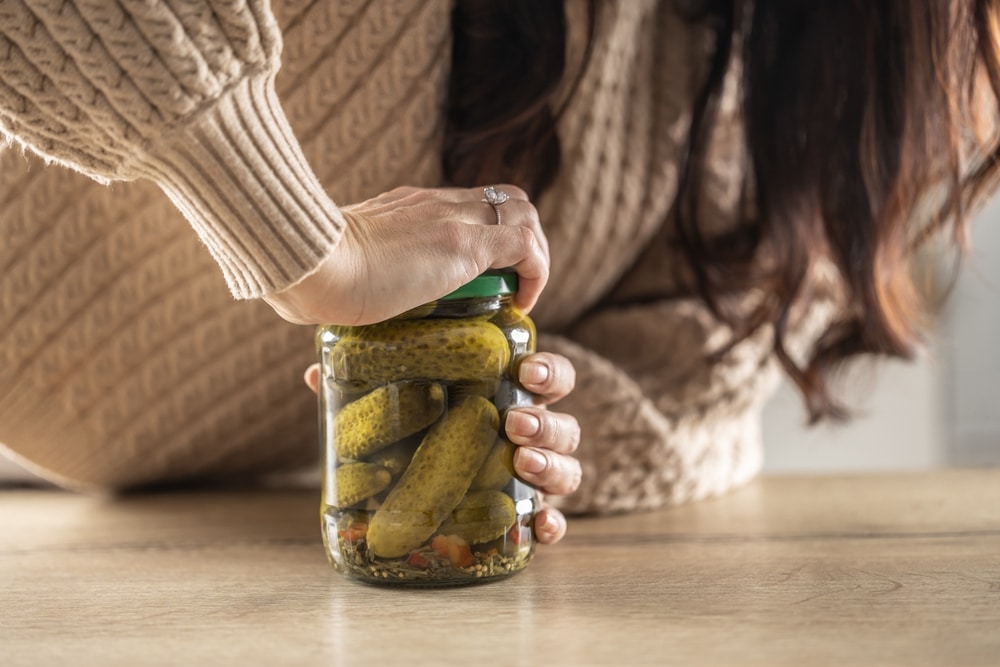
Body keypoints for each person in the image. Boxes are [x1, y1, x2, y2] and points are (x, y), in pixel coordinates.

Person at [1, 0, 998, 546]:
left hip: (202, 520)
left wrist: (539, 430)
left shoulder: (764, 56)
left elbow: (704, 373)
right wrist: (302, 240)